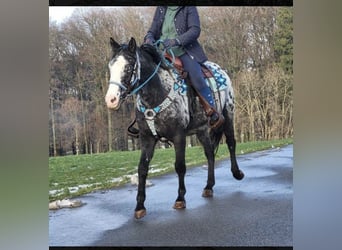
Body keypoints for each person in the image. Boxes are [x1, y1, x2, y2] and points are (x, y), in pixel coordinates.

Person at [144, 6, 224, 129]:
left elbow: (195, 30)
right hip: (161, 53)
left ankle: (212, 110)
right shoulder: (161, 8)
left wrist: (176, 41)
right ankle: (141, 117)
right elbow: (152, 31)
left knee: (197, 77)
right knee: (144, 75)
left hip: (184, 51)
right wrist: (149, 38)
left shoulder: (188, 7)